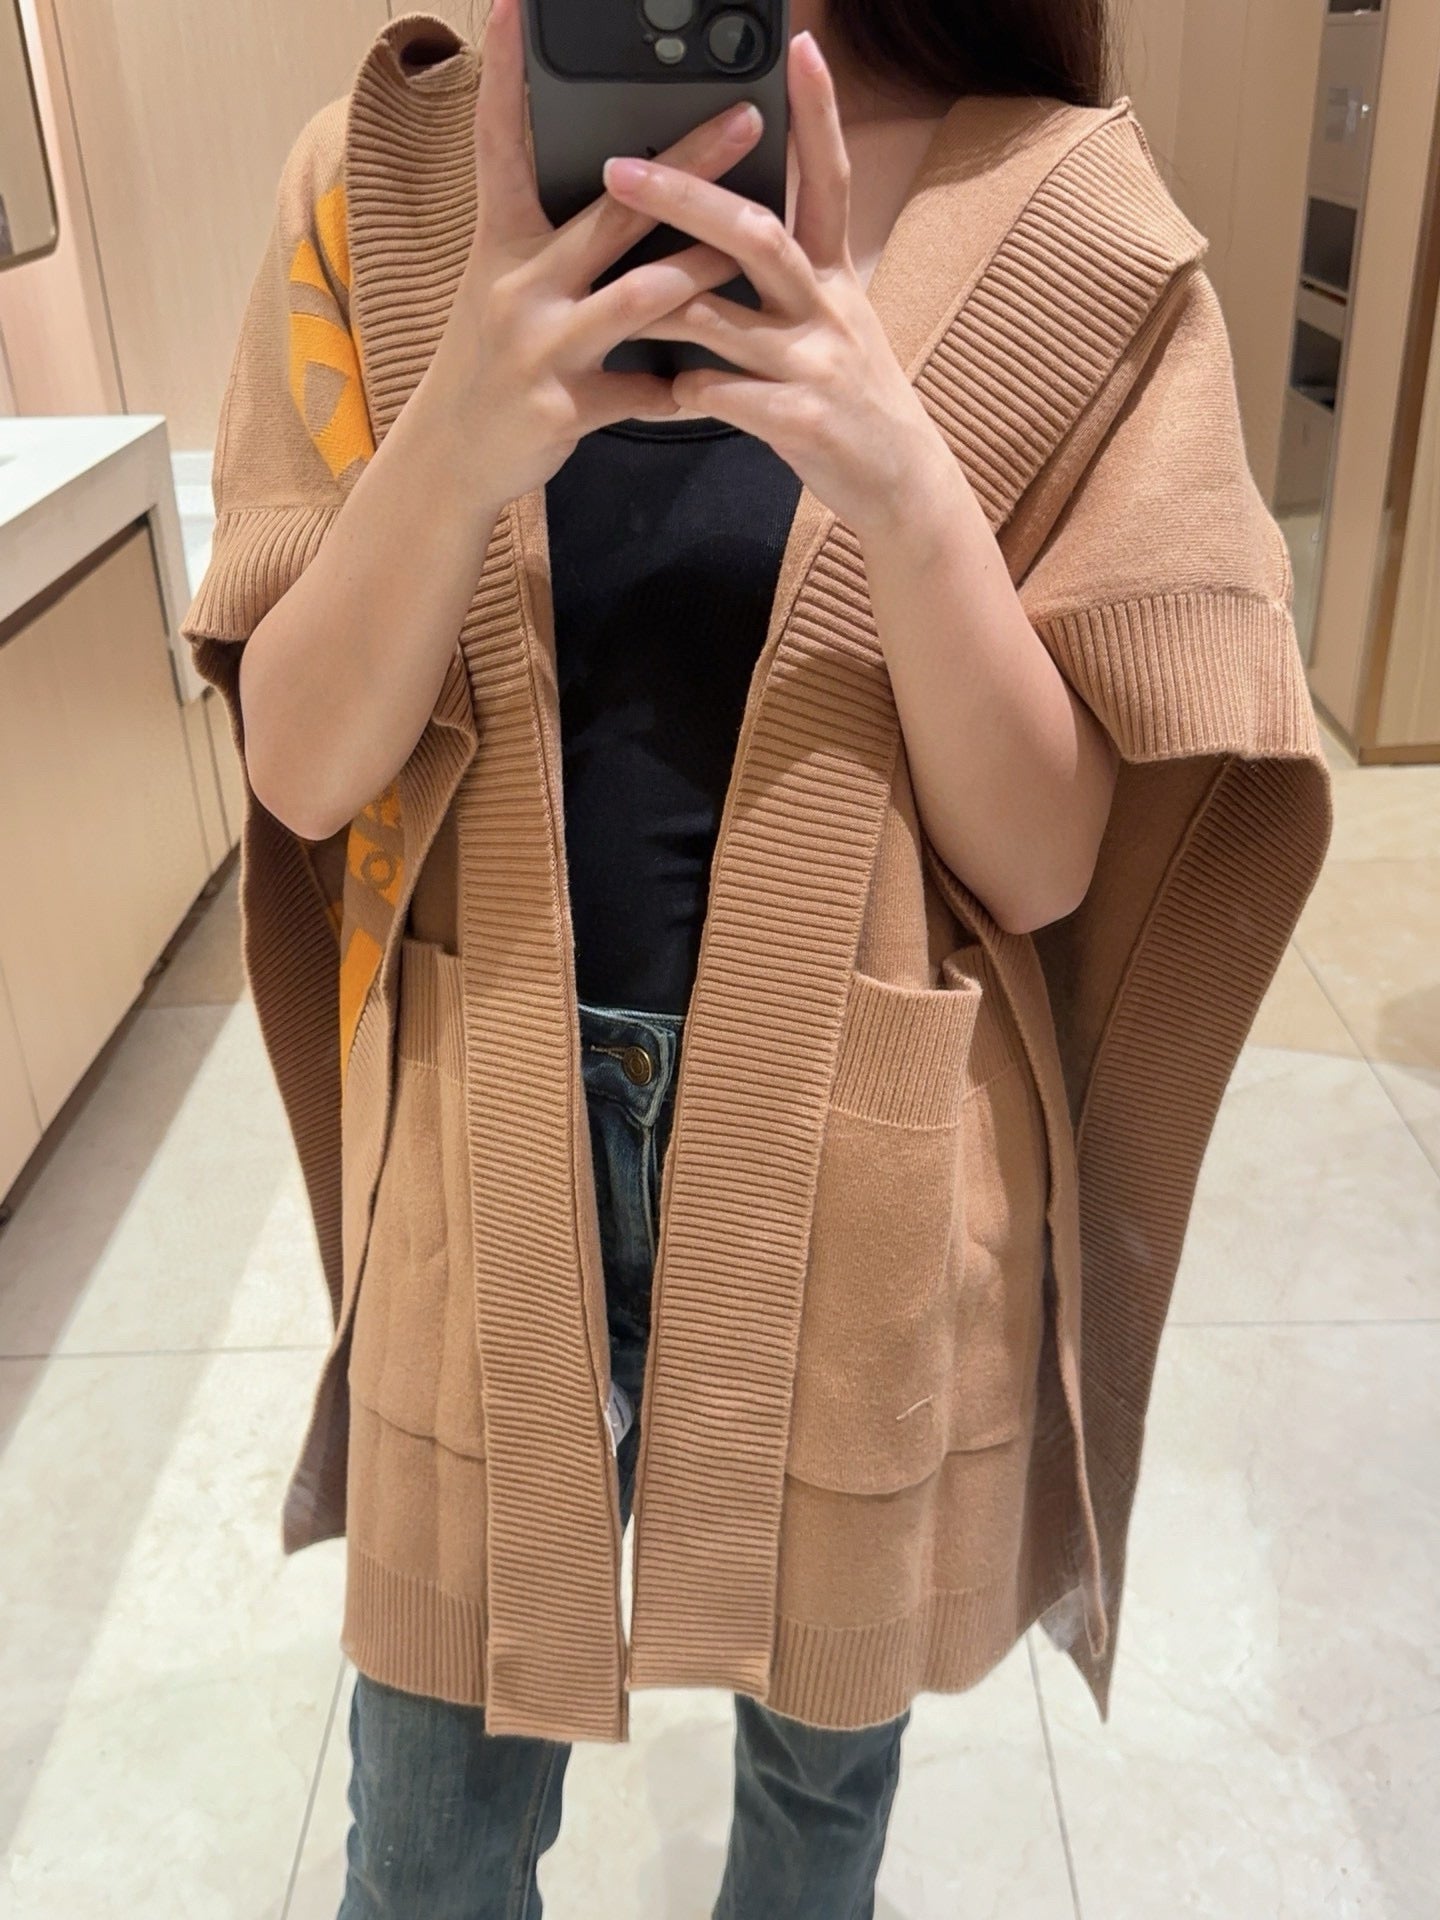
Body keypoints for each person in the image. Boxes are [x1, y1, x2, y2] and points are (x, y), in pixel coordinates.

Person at [181, 1, 1334, 1914]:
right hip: (482, 1135)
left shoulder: (1066, 214)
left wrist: (901, 476)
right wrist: (453, 443)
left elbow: (1045, 860)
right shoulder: (379, 183)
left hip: (865, 1159)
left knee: (816, 1820)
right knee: (431, 1844)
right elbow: (302, 771)